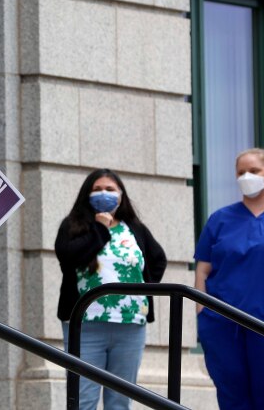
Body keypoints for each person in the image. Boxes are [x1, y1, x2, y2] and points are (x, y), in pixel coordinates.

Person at [54, 168, 167, 410]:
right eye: (97, 189)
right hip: (85, 325)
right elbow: (68, 257)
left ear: (121, 195)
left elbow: (158, 259)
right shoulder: (73, 225)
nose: (103, 193)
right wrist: (101, 229)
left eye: (110, 189)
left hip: (130, 325)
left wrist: (141, 290)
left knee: (120, 402)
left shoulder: (134, 228)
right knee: (83, 400)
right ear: (87, 194)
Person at [194, 148, 264, 410]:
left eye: (254, 171)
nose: (246, 177)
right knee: (232, 397)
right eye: (241, 172)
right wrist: (202, 313)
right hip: (223, 324)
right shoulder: (220, 220)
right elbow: (203, 270)